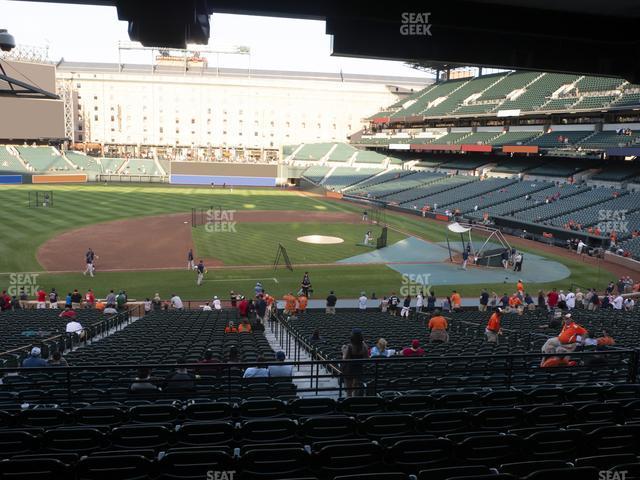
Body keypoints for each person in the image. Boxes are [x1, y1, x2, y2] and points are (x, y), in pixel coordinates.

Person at [341, 329, 368, 397]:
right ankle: (355, 401)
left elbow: (345, 359)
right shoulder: (364, 346)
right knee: (356, 387)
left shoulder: (350, 347)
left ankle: (349, 403)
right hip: (359, 369)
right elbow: (367, 358)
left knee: (349, 390)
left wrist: (343, 351)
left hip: (349, 370)